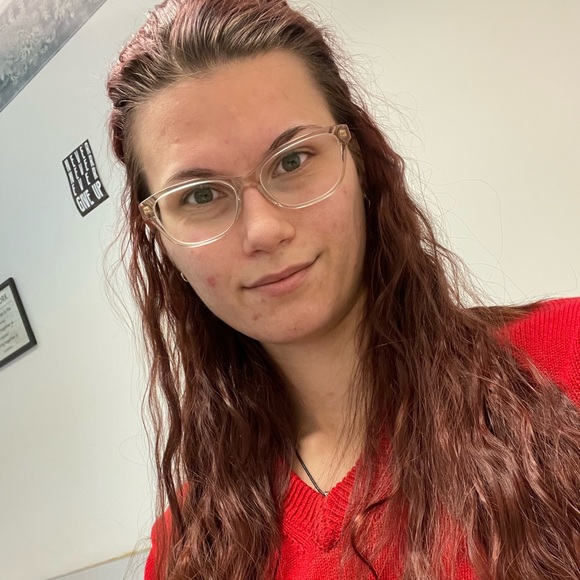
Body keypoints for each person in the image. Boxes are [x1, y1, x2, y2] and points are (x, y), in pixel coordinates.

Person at [106, 0, 580, 578]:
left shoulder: (563, 362)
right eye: (200, 195)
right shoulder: (187, 548)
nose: (264, 230)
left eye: (293, 160)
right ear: (160, 233)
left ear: (359, 158)